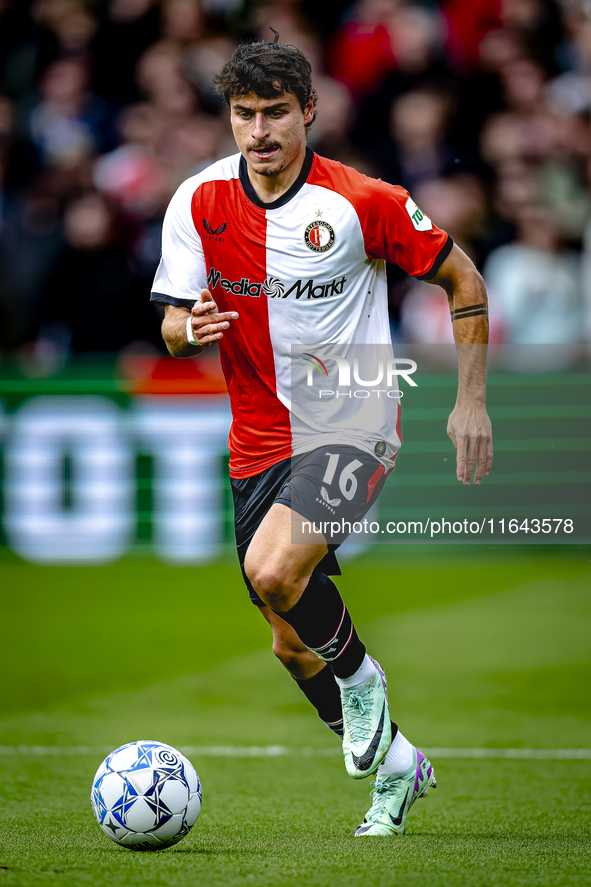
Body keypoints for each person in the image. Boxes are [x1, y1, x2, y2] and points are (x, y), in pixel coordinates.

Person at [151, 34, 492, 837]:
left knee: (274, 570)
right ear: (227, 119)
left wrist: (469, 400)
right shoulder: (195, 202)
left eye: (275, 114)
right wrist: (185, 328)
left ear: (309, 112)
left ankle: (363, 675)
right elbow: (168, 321)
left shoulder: (361, 200)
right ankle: (399, 767)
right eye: (243, 115)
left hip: (354, 420)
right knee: (288, 643)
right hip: (257, 441)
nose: (259, 131)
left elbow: (462, 277)